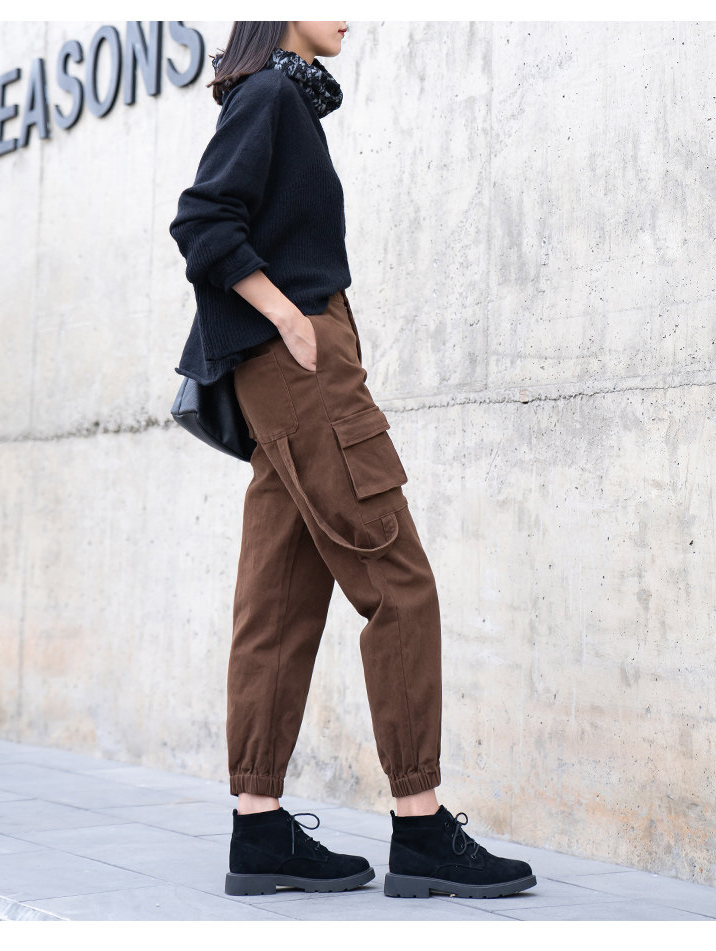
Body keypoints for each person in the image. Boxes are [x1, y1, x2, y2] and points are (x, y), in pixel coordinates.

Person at [169, 20, 536, 901]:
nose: (350, 14)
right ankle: (422, 825)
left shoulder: (280, 98)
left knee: (280, 598)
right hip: (302, 365)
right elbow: (202, 220)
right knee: (399, 582)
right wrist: (290, 318)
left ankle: (259, 829)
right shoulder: (270, 95)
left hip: (283, 374)